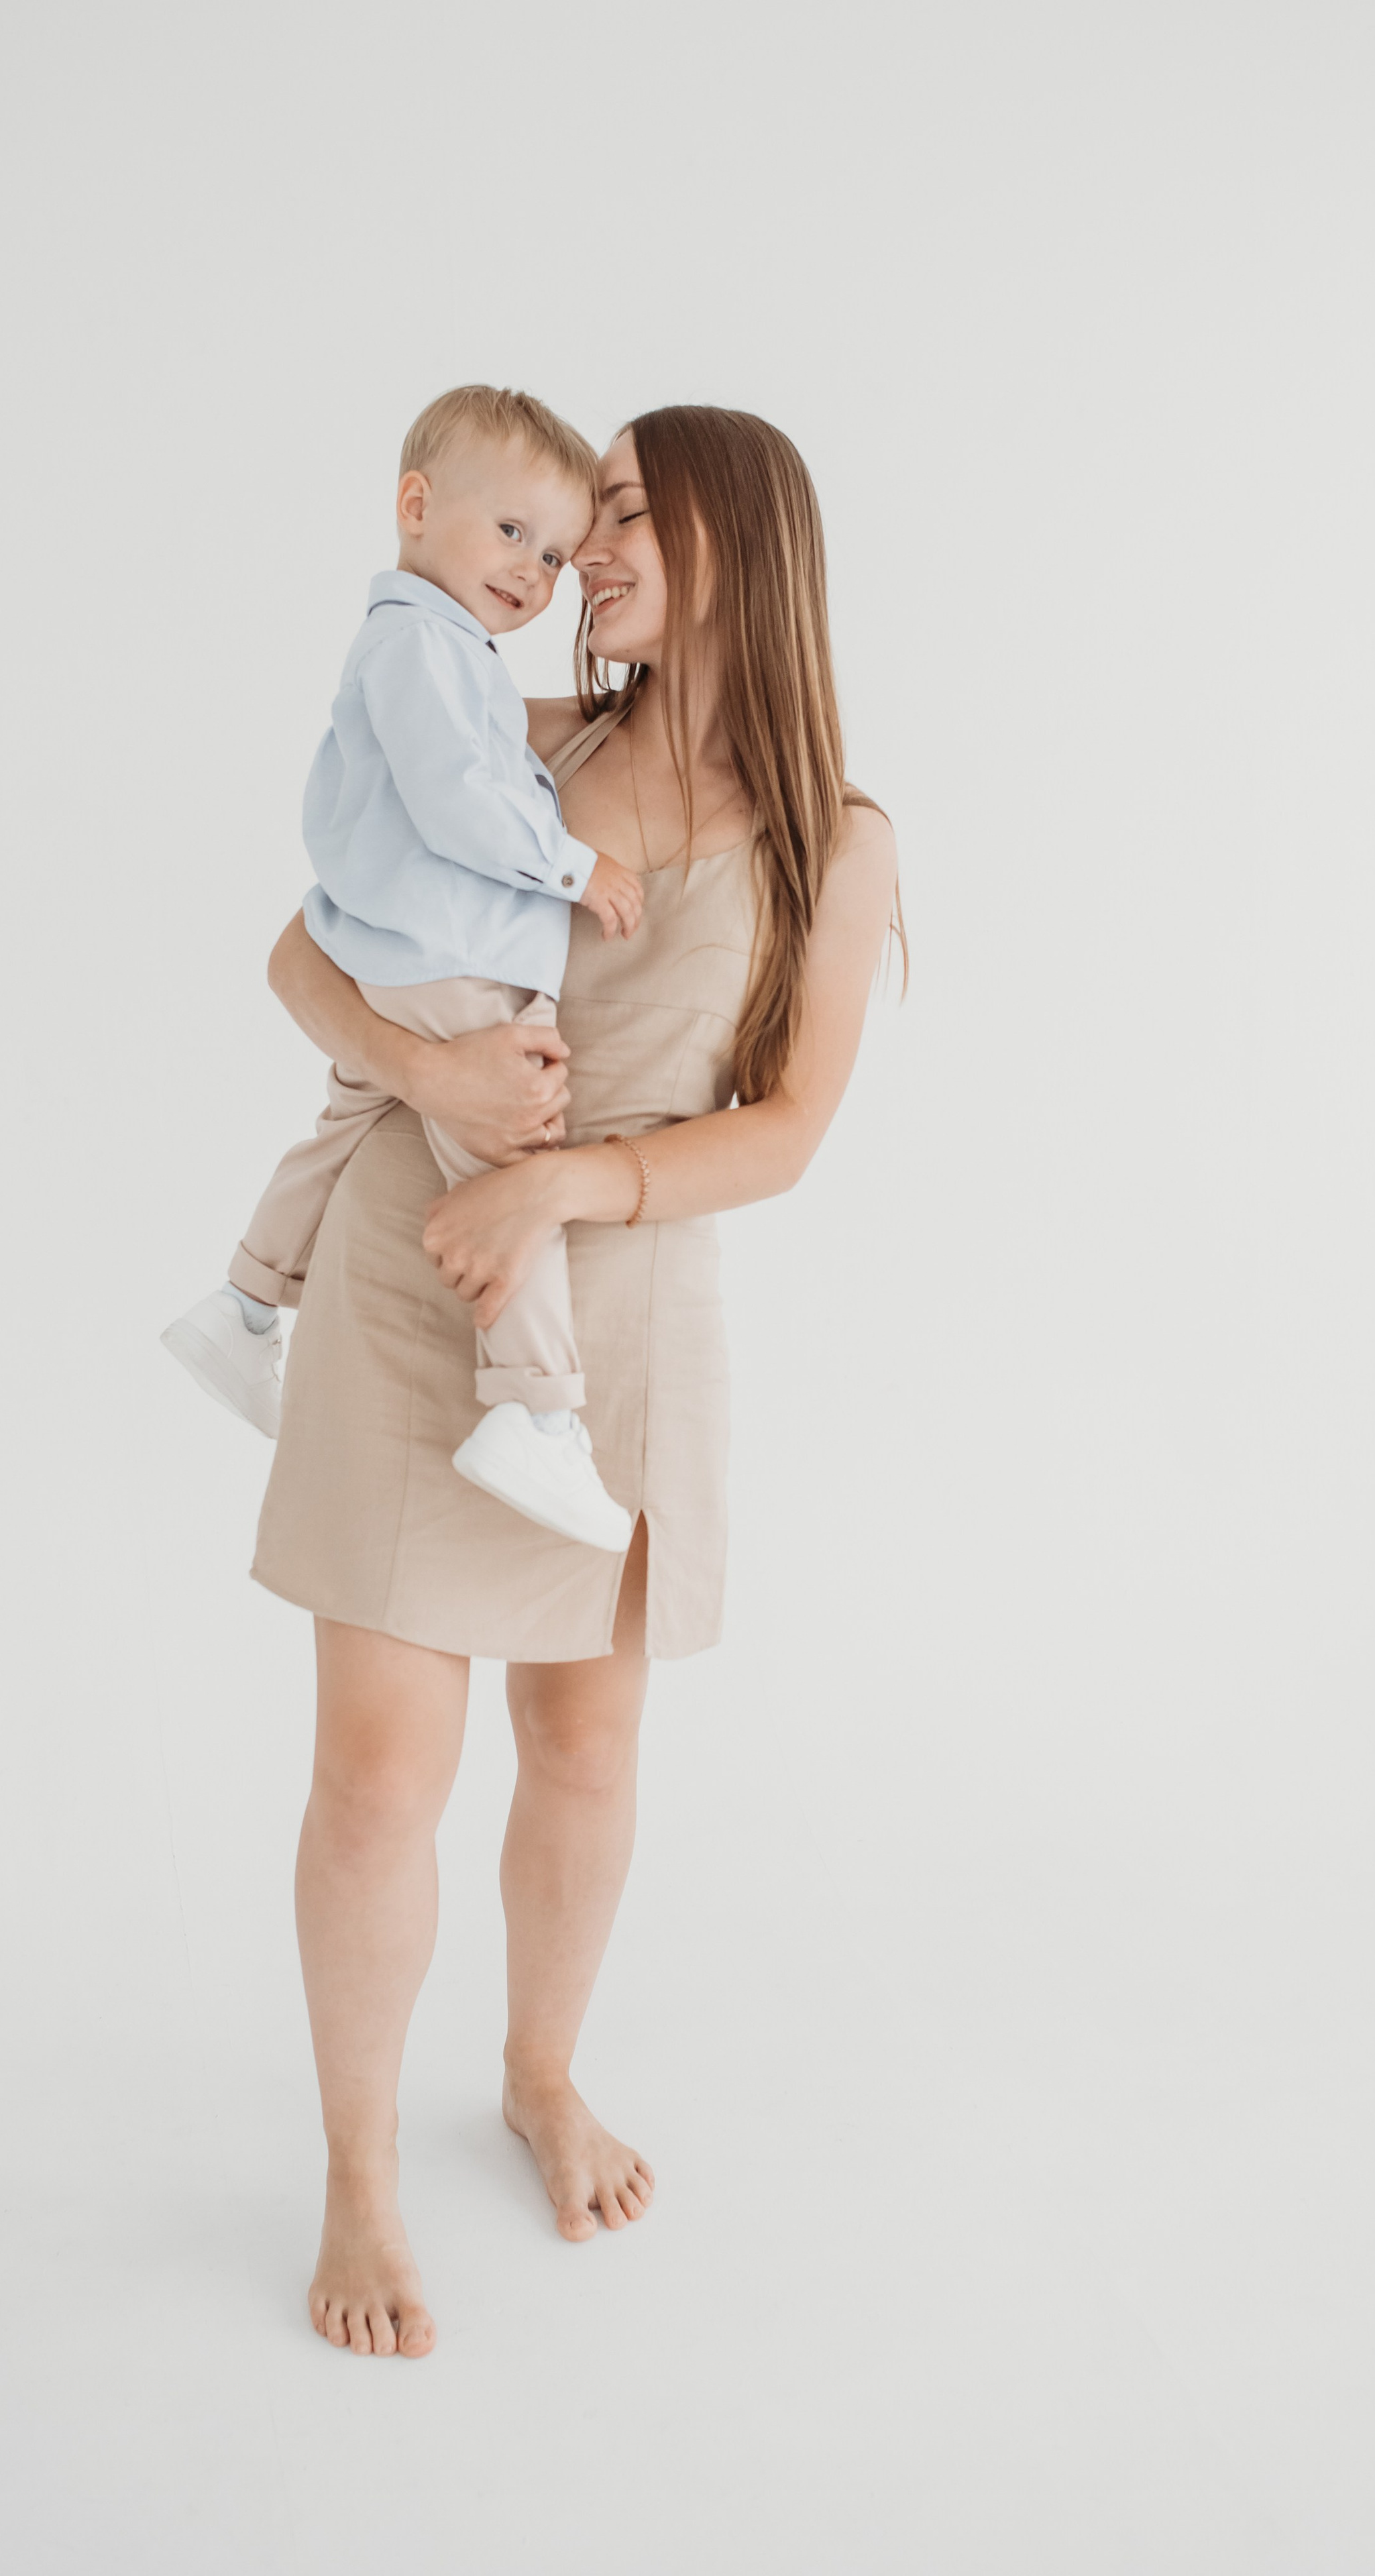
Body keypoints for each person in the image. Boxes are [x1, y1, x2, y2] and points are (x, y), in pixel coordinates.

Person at [253, 406, 902, 2358]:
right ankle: (361, 2175)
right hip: (416, 1276)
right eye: (580, 515)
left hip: (612, 1318)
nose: (580, 554)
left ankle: (539, 2076)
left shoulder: (837, 837)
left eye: (625, 514)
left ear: (736, 546)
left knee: (588, 1748)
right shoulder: (507, 740)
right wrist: (437, 1077)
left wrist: (561, 1180)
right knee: (382, 1774)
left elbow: (784, 1132)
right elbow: (300, 952)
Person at [162, 385, 641, 1548]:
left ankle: (245, 1304)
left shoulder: (436, 646)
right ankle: (538, 1410)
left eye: (554, 554)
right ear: (416, 507)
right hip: (449, 960)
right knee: (514, 1150)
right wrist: (574, 867)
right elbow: (457, 796)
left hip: (398, 954)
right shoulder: (424, 646)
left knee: (344, 1124)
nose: (533, 571)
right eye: (511, 531)